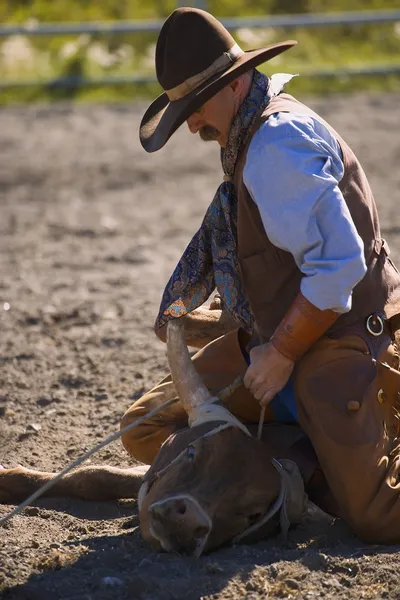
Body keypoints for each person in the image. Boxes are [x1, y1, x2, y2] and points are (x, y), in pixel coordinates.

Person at [121, 6, 400, 543]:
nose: (194, 124)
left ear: (236, 83)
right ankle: (300, 456)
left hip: (340, 341)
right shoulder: (250, 135)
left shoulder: (276, 145)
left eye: (196, 107)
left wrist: (284, 352)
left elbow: (339, 265)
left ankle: (331, 447)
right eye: (186, 113)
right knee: (145, 430)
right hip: (277, 340)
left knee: (376, 515)